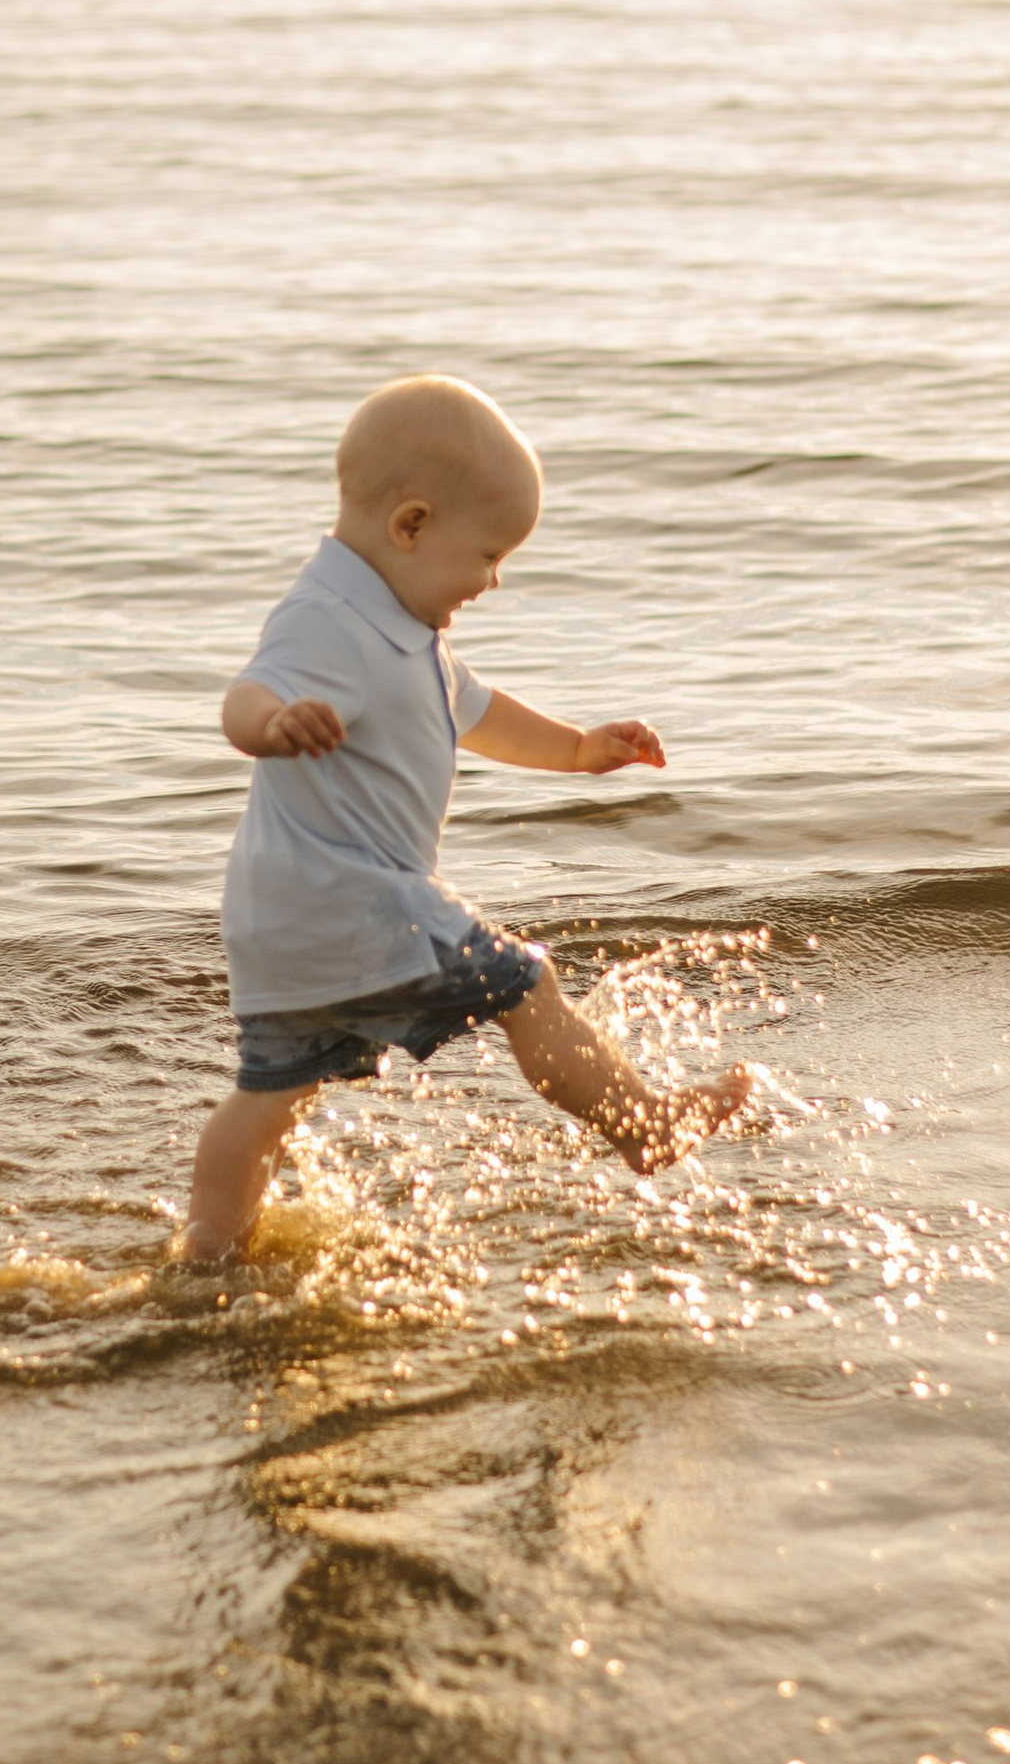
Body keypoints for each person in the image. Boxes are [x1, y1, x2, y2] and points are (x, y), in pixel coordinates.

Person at [183, 373, 754, 1261]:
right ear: (410, 525)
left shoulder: (398, 627)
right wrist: (269, 723)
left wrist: (577, 748)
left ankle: (207, 1254)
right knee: (527, 987)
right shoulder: (327, 620)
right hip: (360, 901)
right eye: (488, 556)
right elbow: (244, 696)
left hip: (287, 924)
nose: (491, 582)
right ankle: (642, 1125)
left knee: (270, 1099)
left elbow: (475, 710)